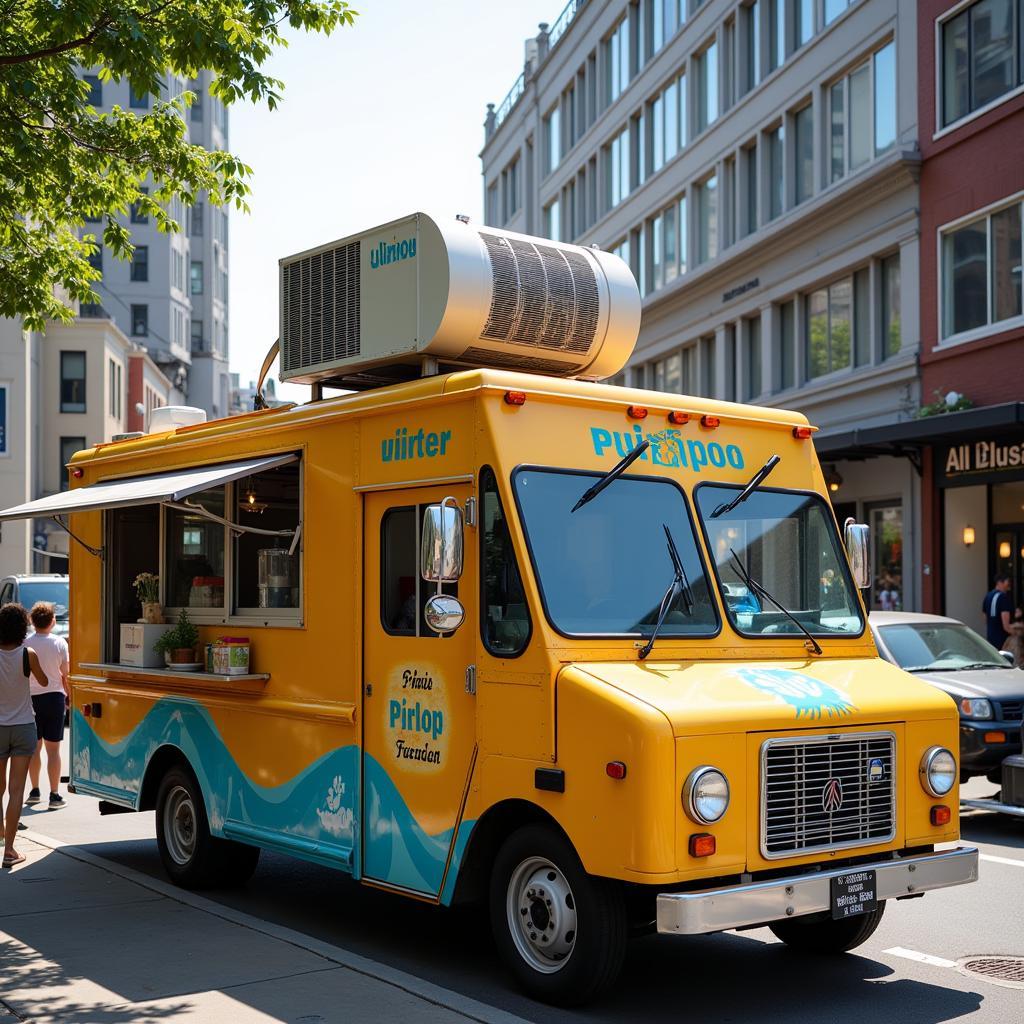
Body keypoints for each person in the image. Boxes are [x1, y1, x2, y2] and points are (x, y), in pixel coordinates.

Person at [0, 603, 49, 868]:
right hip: (22, 726)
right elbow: (42, 682)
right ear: (23, 627)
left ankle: (0, 832)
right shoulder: (27, 654)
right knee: (17, 789)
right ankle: (9, 850)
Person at [24, 602, 70, 810]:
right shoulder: (60, 643)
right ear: (52, 621)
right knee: (54, 750)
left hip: (31, 699)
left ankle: (34, 791)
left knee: (34, 748)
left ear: (32, 622)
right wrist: (69, 696)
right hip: (54, 698)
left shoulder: (25, 643)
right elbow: (65, 675)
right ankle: (54, 794)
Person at [982, 574, 1015, 650]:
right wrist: (1017, 634)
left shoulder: (988, 596)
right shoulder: (1003, 597)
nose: (1009, 584)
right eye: (1007, 582)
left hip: (991, 637)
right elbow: (1006, 626)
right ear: (1000, 582)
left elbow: (985, 619)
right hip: (1003, 640)